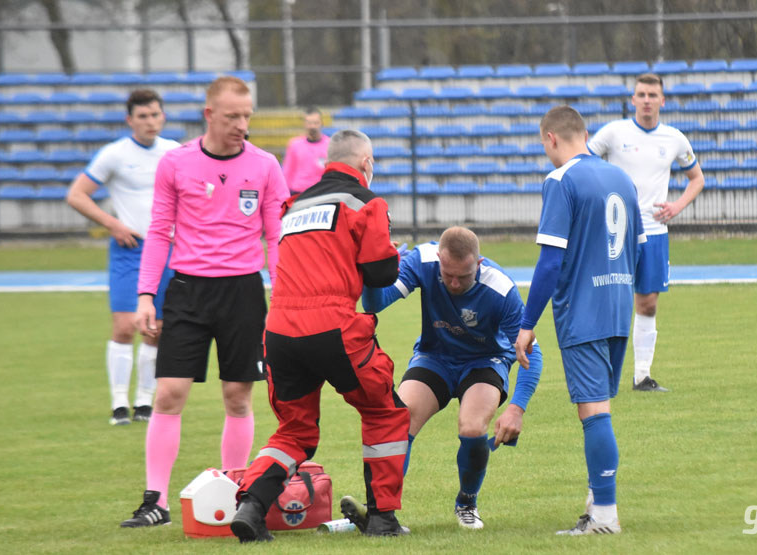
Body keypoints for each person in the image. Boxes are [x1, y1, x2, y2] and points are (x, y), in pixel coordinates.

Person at [119, 76, 289, 528]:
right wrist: (145, 296)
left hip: (243, 292)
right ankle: (155, 500)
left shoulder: (267, 165)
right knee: (169, 393)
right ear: (209, 114)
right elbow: (158, 232)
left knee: (237, 397)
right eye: (232, 116)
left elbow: (277, 236)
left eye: (247, 115)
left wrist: (285, 292)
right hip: (188, 291)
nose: (242, 124)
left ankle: (233, 491)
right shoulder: (176, 163)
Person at [229, 129, 410, 542]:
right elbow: (382, 272)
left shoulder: (295, 205)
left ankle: (252, 506)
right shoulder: (365, 202)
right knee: (384, 412)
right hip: (333, 326)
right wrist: (391, 253)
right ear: (366, 164)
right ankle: (382, 518)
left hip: (279, 331)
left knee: (294, 430)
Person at [358, 226, 543, 530]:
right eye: (448, 274)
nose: (454, 284)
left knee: (472, 428)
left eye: (464, 276)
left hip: (484, 361)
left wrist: (516, 408)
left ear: (479, 264)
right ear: (439, 259)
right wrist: (373, 272)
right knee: (398, 420)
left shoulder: (501, 290)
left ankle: (467, 503)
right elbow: (374, 304)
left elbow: (532, 354)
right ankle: (379, 510)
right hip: (436, 358)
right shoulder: (424, 261)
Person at [515, 105, 644, 536]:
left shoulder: (561, 180)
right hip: (618, 309)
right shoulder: (620, 178)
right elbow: (638, 249)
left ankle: (605, 516)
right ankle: (595, 502)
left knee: (593, 413)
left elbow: (550, 262)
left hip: (583, 310)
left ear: (551, 138)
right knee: (598, 408)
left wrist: (528, 322)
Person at [65, 89, 180, 426]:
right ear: (130, 120)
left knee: (156, 328)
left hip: (168, 250)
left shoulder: (174, 153)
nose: (150, 121)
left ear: (163, 117)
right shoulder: (114, 154)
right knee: (125, 326)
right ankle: (119, 403)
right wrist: (113, 224)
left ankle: (144, 401)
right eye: (143, 116)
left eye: (155, 114)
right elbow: (77, 195)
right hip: (130, 250)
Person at [587, 72, 705, 393]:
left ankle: (642, 377)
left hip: (654, 232)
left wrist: (676, 206)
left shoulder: (675, 139)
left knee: (648, 304)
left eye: (653, 95)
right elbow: (582, 162)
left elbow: (697, 179)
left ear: (662, 101)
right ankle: (598, 373)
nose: (647, 100)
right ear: (633, 99)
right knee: (609, 300)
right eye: (641, 94)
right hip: (615, 233)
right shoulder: (614, 133)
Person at [281, 106, 330, 195]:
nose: (312, 126)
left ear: (322, 123)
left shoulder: (330, 145)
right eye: (309, 123)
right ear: (304, 124)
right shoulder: (294, 145)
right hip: (298, 193)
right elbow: (287, 171)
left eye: (316, 123)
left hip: (321, 193)